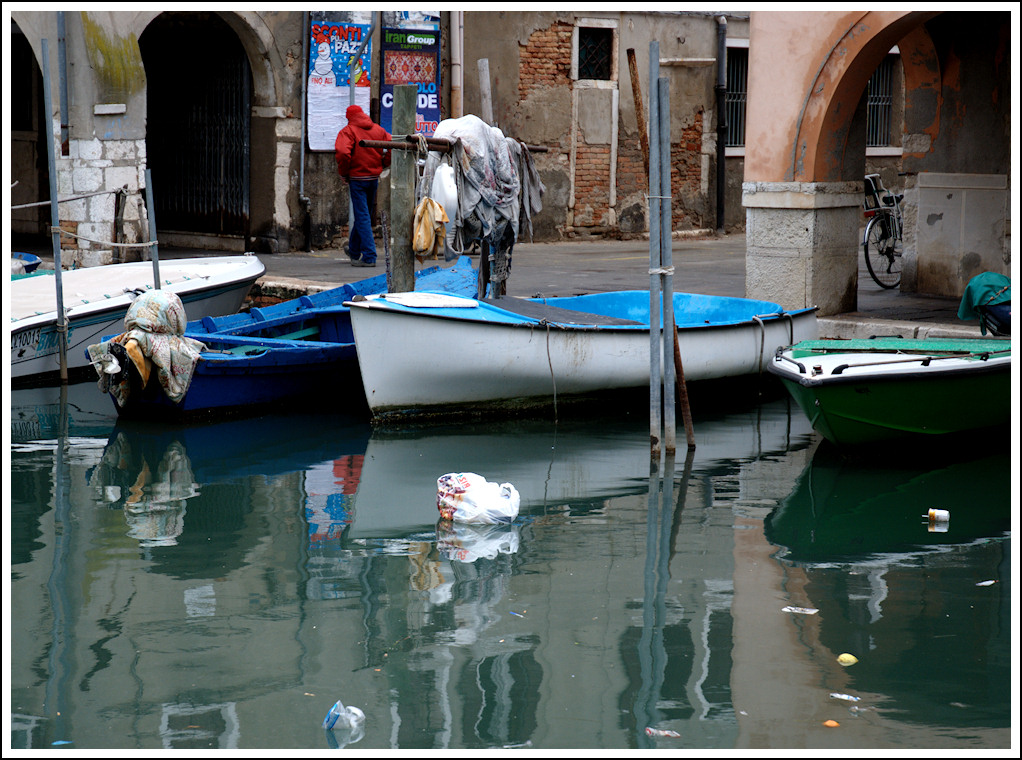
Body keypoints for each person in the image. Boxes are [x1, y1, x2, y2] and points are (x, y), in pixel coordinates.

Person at [335, 104, 391, 267]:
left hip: (358, 178)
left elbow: (342, 152)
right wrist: (383, 164)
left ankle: (369, 256)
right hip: (373, 177)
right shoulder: (378, 130)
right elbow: (390, 147)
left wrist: (344, 173)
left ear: (349, 117)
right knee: (363, 214)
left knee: (362, 216)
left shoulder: (348, 131)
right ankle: (353, 250)